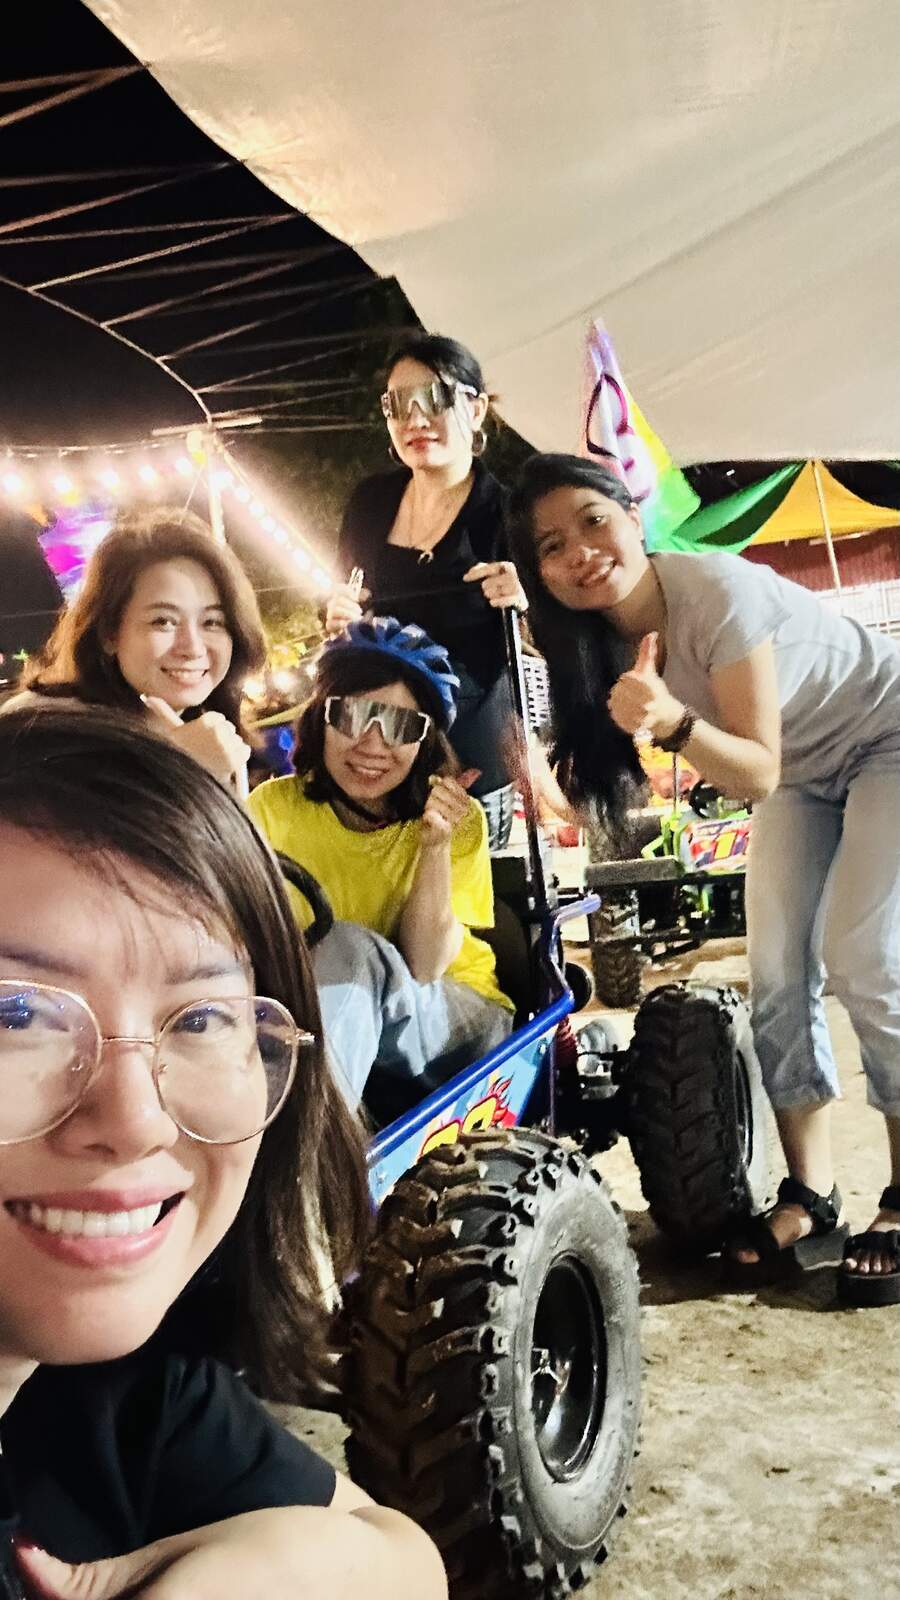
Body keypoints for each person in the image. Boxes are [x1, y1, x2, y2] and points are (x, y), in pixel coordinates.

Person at [0, 705, 446, 1599]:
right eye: (16, 1014)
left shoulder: (115, 1393)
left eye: (202, 1019)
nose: (138, 1120)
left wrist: (281, 1568)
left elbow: (404, 1558)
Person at [504, 451, 900, 1305]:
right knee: (777, 974)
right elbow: (606, 797)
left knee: (866, 956)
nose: (580, 553)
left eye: (593, 521)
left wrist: (674, 721)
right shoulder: (590, 645)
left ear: (632, 516)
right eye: (551, 546)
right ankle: (812, 1195)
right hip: (804, 776)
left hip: (886, 733)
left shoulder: (717, 590)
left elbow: (753, 772)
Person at [248, 618, 515, 1122]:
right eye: (352, 716)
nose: (372, 745)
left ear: (424, 741)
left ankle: (306, 1145)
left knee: (349, 945)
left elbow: (426, 966)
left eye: (399, 726)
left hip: (457, 1022)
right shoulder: (272, 808)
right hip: (325, 1024)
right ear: (322, 719)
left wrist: (434, 846)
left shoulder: (456, 820)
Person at [326, 332, 526, 850]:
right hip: (375, 752)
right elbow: (348, 607)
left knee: (465, 889)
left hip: (469, 755)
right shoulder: (369, 503)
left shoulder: (510, 513)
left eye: (434, 398)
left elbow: (551, 638)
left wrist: (524, 601)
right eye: (397, 404)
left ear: (476, 409)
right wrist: (337, 614)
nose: (415, 419)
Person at [7, 509, 262, 790]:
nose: (192, 647)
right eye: (163, 621)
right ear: (109, 633)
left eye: (212, 622)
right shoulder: (39, 733)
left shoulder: (206, 732)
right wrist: (180, 772)